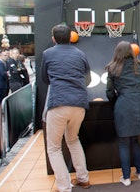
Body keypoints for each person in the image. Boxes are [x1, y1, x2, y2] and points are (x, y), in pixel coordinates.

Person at [41, 24, 91, 192]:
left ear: (53, 38)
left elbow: (44, 78)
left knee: (54, 147)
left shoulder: (48, 54)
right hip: (79, 104)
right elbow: (88, 80)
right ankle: (83, 178)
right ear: (71, 37)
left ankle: (64, 187)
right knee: (73, 139)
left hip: (59, 103)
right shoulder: (80, 54)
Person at [105, 41, 140, 186]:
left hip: (123, 104)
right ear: (131, 51)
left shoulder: (113, 68)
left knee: (124, 143)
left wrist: (117, 101)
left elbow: (109, 92)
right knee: (135, 140)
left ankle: (126, 178)